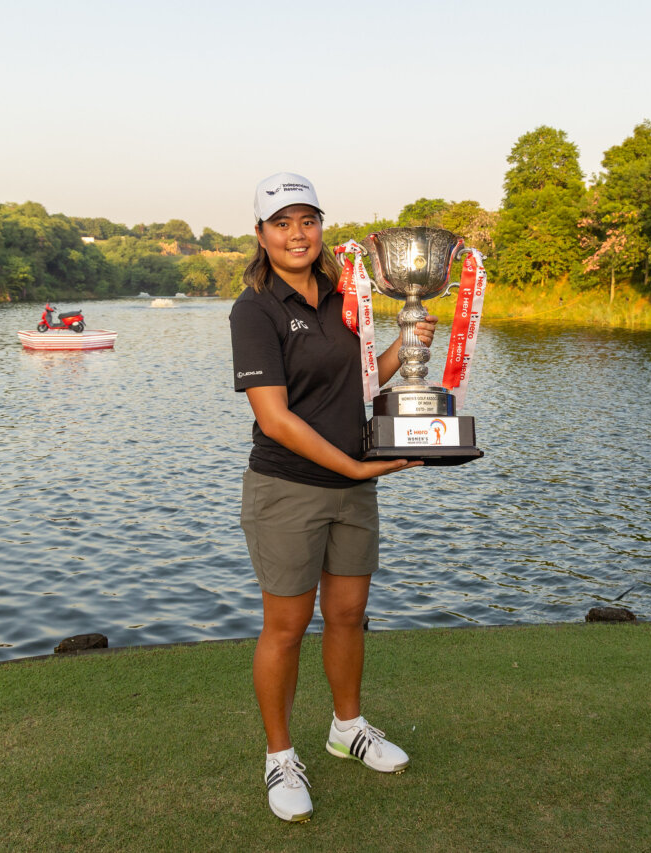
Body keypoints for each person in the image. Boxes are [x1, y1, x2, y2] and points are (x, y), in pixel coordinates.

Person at [229, 172, 437, 823]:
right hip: (288, 489)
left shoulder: (348, 296)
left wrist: (409, 340)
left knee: (348, 615)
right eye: (282, 222)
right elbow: (275, 418)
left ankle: (348, 727)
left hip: (354, 484)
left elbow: (362, 383)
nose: (297, 233)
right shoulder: (254, 308)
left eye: (307, 220)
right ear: (261, 235)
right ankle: (279, 754)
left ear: (320, 227)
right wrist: (353, 464)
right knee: (286, 627)